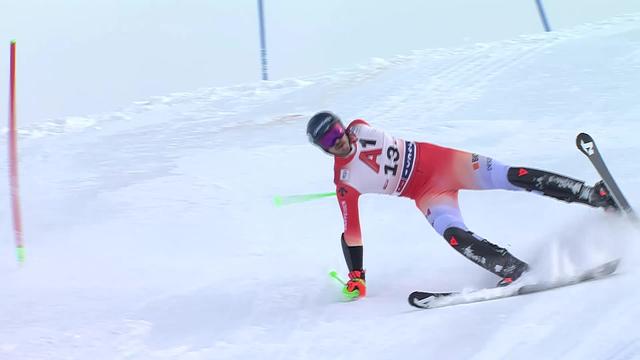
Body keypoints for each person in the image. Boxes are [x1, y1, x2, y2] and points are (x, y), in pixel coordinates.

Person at [306, 111, 617, 299]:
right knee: (454, 234)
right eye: (328, 141)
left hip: (447, 163)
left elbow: (366, 153)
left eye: (336, 131)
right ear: (322, 149)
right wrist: (357, 276)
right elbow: (352, 232)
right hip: (427, 194)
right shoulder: (344, 181)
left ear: (343, 125)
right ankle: (511, 268)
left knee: (513, 176)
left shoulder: (359, 127)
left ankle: (593, 195)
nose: (338, 140)